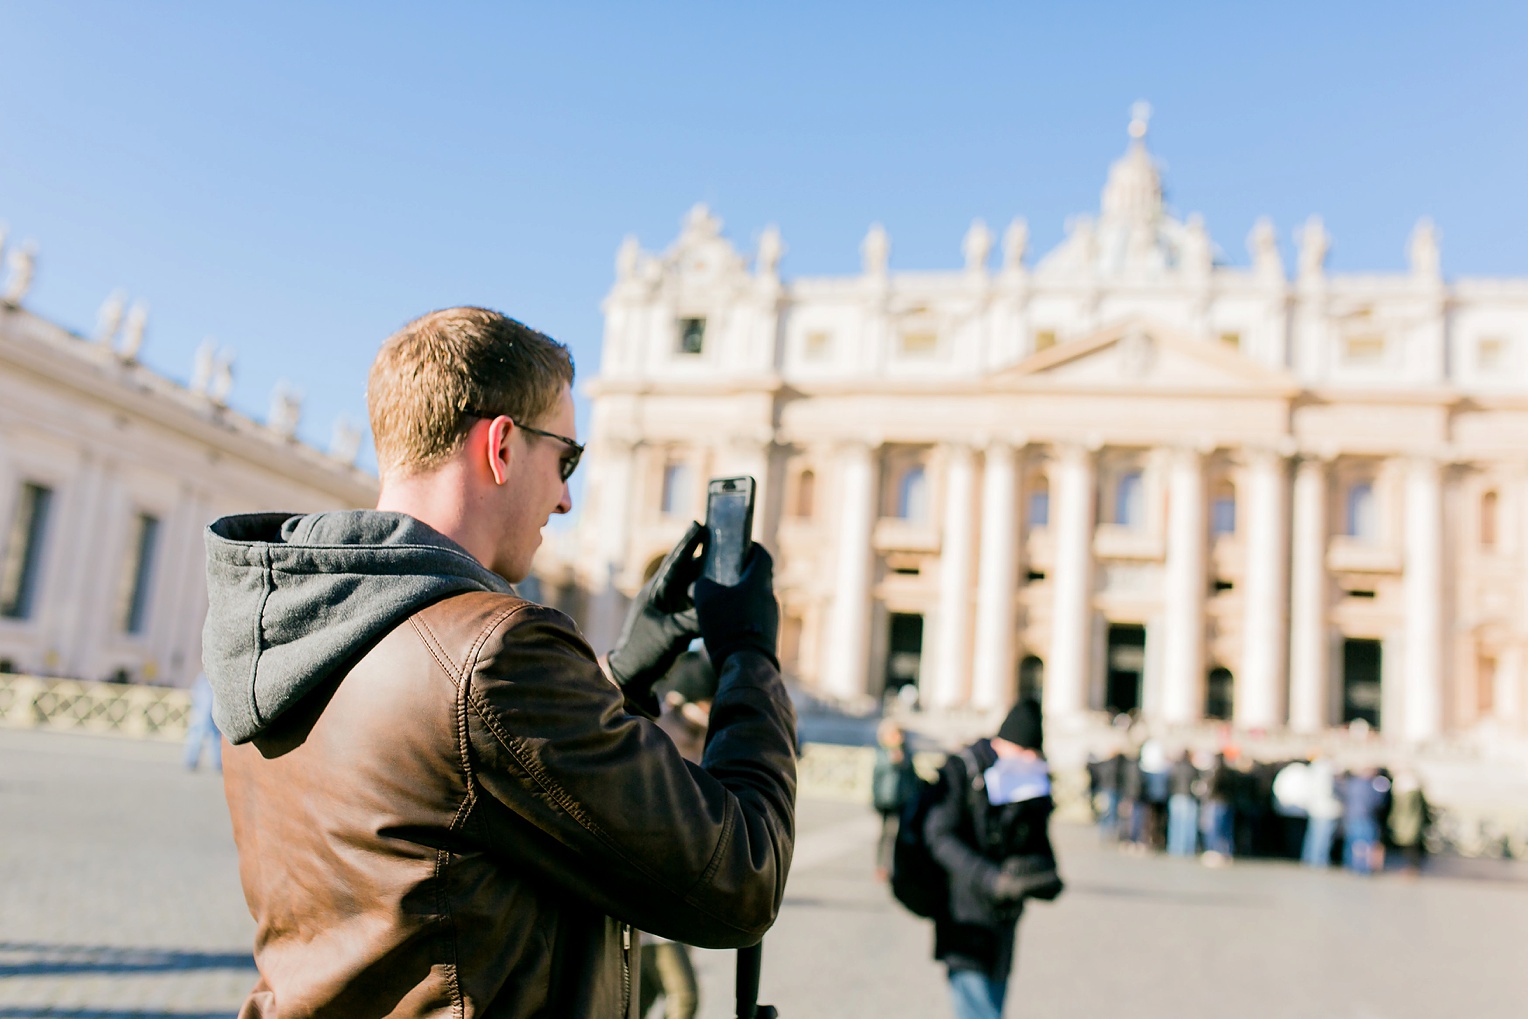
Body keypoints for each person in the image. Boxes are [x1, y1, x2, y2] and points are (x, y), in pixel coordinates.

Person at [203, 307, 797, 1018]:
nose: (567, 496)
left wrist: (622, 676)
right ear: (503, 446)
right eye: (566, 458)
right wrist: (752, 658)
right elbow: (738, 879)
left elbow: (450, 788)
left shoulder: (281, 626)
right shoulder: (494, 652)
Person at [924, 700, 1063, 1019]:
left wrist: (1042, 876)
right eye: (1027, 752)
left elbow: (1037, 842)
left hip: (1005, 916)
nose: (1032, 759)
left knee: (992, 1009)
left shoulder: (1029, 778)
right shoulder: (964, 768)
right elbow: (939, 837)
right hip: (964, 911)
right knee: (980, 1013)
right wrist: (991, 879)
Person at [638, 651, 717, 1019]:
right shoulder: (664, 736)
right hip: (654, 891)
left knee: (642, 995)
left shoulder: (701, 737)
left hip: (681, 888)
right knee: (684, 997)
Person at [872, 718, 920, 880]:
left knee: (898, 834)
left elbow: (912, 777)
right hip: (886, 801)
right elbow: (877, 777)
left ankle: (895, 866)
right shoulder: (882, 752)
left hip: (902, 800)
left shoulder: (906, 753)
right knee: (885, 834)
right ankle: (881, 865)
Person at [1340, 768, 1388, 875]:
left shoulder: (1352, 784)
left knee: (1352, 842)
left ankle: (1350, 865)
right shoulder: (1371, 785)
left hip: (1352, 816)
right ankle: (1362, 867)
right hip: (1366, 817)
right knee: (1365, 843)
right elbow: (1378, 802)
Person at [1388, 770, 1432, 875]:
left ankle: (1412, 868)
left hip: (1408, 824)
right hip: (1410, 823)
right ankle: (1412, 868)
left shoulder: (1407, 793)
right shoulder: (1414, 792)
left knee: (1411, 847)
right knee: (1411, 846)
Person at [1302, 755, 1342, 868]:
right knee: (1322, 838)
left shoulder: (1313, 771)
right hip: (1325, 809)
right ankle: (1318, 861)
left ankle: (1310, 859)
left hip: (1315, 808)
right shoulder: (1326, 772)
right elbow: (1329, 791)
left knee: (1313, 836)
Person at [182, 673, 222, 772]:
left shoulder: (202, 679)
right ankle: (218, 763)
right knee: (211, 734)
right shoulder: (207, 679)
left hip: (202, 709)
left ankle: (191, 760)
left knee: (198, 733)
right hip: (209, 708)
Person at [1166, 750, 1200, 858]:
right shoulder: (1192, 769)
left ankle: (1174, 847)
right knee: (1188, 825)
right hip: (1187, 796)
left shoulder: (1175, 767)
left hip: (1176, 796)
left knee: (1175, 824)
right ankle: (1187, 849)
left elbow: (1170, 781)